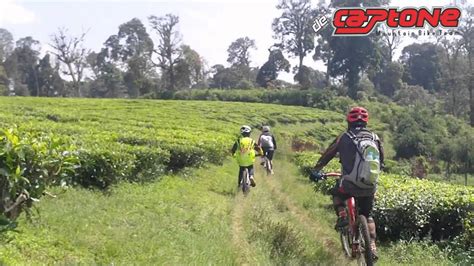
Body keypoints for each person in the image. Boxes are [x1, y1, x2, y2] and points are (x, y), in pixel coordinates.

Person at [310, 107, 384, 260]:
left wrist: (317, 169)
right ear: (366, 121)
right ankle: (371, 245)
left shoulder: (344, 137)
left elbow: (328, 154)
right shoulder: (374, 137)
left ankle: (343, 216)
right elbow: (381, 160)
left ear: (348, 121)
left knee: (337, 193)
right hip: (369, 185)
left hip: (349, 184)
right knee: (367, 215)